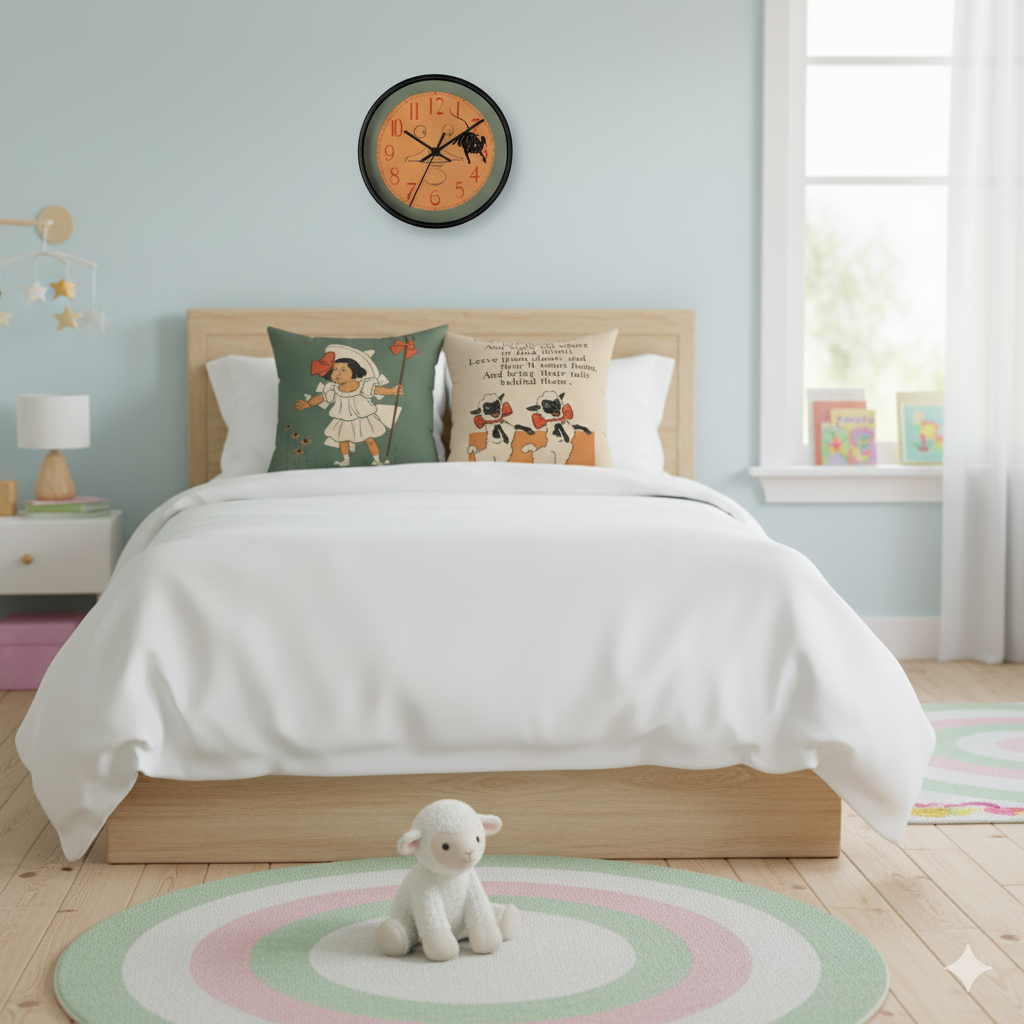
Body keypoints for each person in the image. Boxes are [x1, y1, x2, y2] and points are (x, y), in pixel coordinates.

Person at [294, 348, 403, 466]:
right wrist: (309, 403)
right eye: (335, 370)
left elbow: (377, 390)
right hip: (343, 418)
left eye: (343, 370)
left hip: (362, 418)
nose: (338, 373)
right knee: (343, 439)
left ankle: (377, 460)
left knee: (369, 439)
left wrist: (391, 391)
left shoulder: (363, 385)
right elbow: (322, 398)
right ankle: (346, 460)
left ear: (354, 372)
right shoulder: (333, 388)